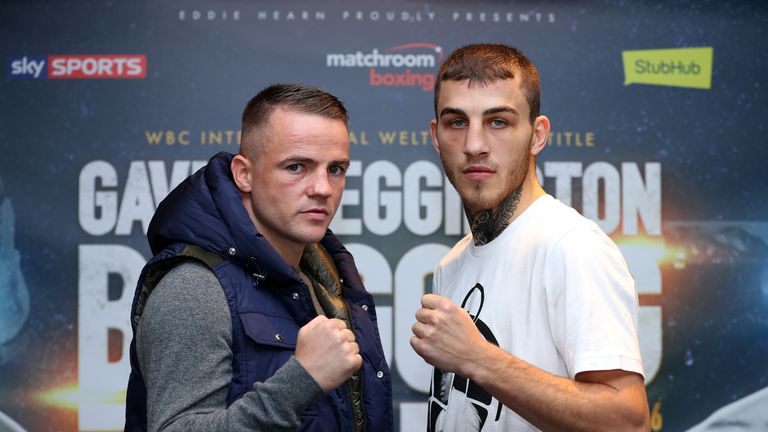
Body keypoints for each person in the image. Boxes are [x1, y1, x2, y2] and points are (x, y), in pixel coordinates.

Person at [125, 84, 393, 431]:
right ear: (244, 174)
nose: (323, 188)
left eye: (336, 169)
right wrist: (301, 381)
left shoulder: (327, 279)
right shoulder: (195, 287)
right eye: (297, 167)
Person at [410, 44, 650, 431]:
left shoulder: (571, 247)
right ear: (436, 137)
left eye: (498, 122)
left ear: (537, 135)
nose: (474, 145)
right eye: (457, 122)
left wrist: (478, 359)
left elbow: (627, 422)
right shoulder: (452, 264)